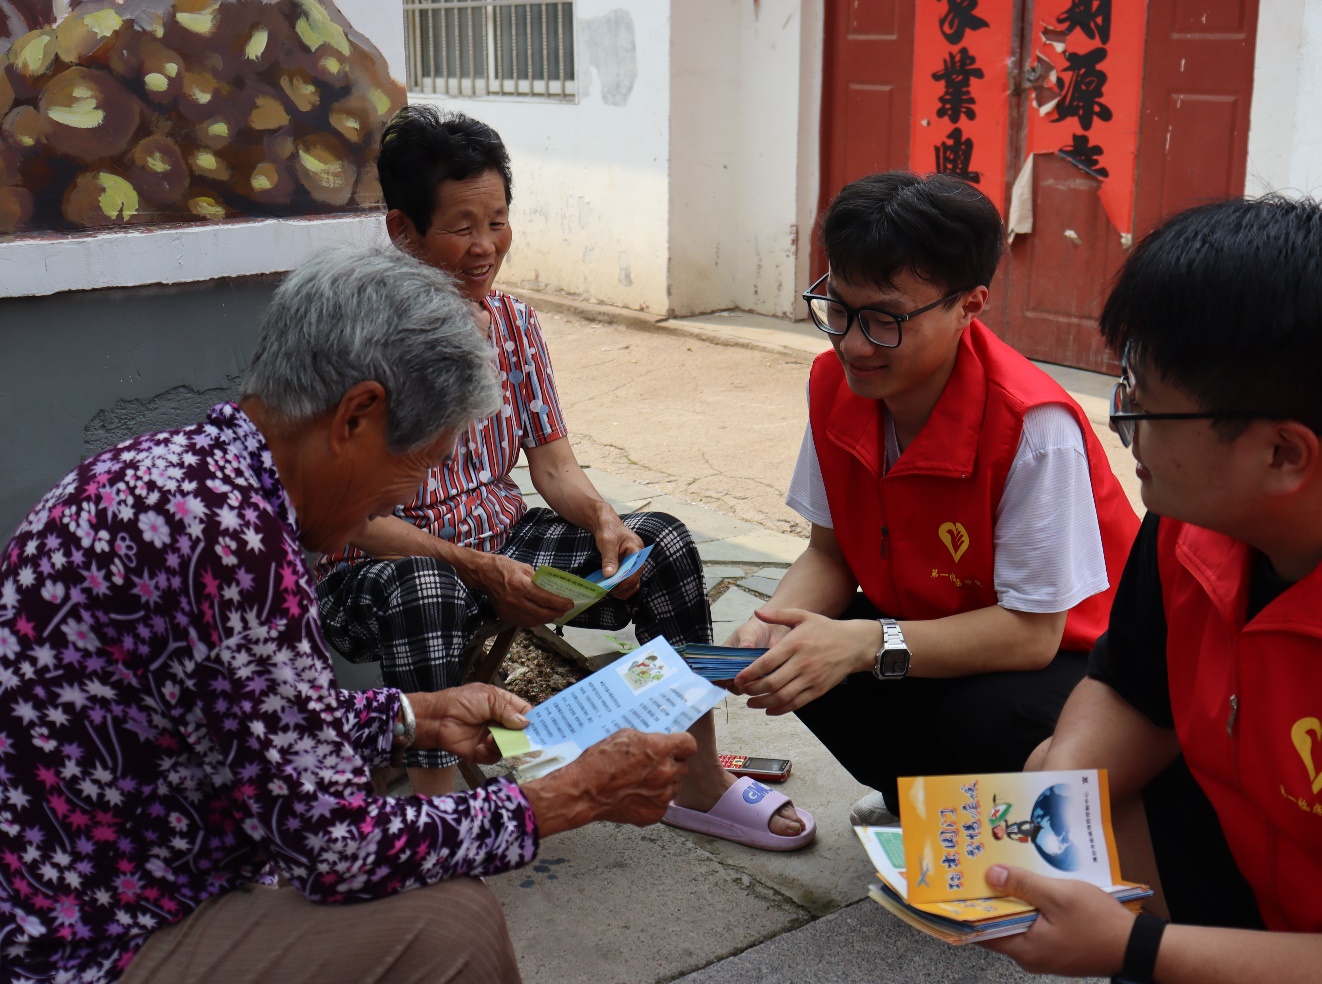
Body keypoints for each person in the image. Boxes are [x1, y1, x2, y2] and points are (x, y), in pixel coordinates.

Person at [0, 248, 698, 984]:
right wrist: (573, 794)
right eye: (422, 466)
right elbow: (336, 848)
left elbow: (249, 718)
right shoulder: (232, 542)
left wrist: (410, 715)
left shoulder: (169, 476)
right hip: (82, 937)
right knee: (448, 925)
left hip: (77, 882)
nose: (404, 500)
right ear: (357, 415)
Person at [314, 105, 814, 849]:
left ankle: (699, 778)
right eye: (462, 226)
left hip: (499, 539)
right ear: (402, 230)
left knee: (662, 543)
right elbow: (349, 521)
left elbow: (553, 466)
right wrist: (478, 565)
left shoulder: (513, 323)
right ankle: (438, 820)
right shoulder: (353, 337)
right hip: (380, 566)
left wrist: (602, 522)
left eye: (498, 220)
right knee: (429, 587)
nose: (485, 247)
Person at [988, 196, 1322, 982]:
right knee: (1064, 764)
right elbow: (1132, 688)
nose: (1122, 424)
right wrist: (1054, 794)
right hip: (1260, 877)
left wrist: (1137, 949)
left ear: (1283, 455)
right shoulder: (1192, 527)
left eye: (1145, 404)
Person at [729, 171, 1138, 825]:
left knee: (983, 714)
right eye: (838, 308)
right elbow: (829, 556)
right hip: (925, 628)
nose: (854, 343)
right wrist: (770, 628)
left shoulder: (1033, 427)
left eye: (885, 320)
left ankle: (994, 818)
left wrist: (864, 643)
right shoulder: (836, 384)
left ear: (969, 306)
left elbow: (1034, 636)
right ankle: (920, 801)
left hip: (1068, 660)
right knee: (801, 656)